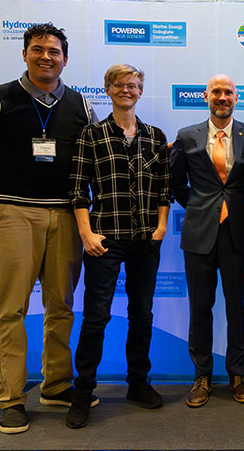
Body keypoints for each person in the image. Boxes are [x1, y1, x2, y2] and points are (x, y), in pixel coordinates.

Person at [0, 23, 96, 434]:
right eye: (38, 49)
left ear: (65, 58)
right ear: (24, 54)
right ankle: (11, 399)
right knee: (11, 309)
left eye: (54, 51)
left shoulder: (81, 106)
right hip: (15, 213)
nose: (46, 57)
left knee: (61, 307)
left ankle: (56, 387)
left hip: (68, 216)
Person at [64, 64, 171, 428]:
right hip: (104, 239)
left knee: (142, 315)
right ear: (108, 90)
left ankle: (138, 384)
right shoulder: (90, 135)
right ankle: (82, 392)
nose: (127, 90)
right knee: (96, 317)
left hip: (145, 240)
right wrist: (86, 234)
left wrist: (160, 228)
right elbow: (77, 190)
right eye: (120, 85)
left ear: (141, 91)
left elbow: (163, 189)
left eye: (134, 85)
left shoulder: (155, 136)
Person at [170, 74, 244, 407]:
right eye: (216, 92)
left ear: (237, 98)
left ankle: (238, 373)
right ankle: (202, 376)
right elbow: (175, 182)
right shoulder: (186, 136)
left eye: (228, 93)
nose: (222, 97)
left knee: (238, 306)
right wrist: (198, 207)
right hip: (198, 233)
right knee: (200, 306)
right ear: (206, 96)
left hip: (239, 232)